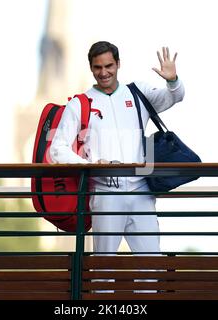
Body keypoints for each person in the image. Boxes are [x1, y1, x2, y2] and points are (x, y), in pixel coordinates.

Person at [50, 41, 185, 254]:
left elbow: (174, 97)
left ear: (118, 64)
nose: (104, 72)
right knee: (104, 265)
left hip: (141, 190)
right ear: (91, 68)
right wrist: (90, 165)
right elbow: (57, 149)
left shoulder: (137, 92)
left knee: (152, 263)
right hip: (105, 193)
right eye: (98, 67)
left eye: (109, 66)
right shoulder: (80, 103)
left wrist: (173, 80)